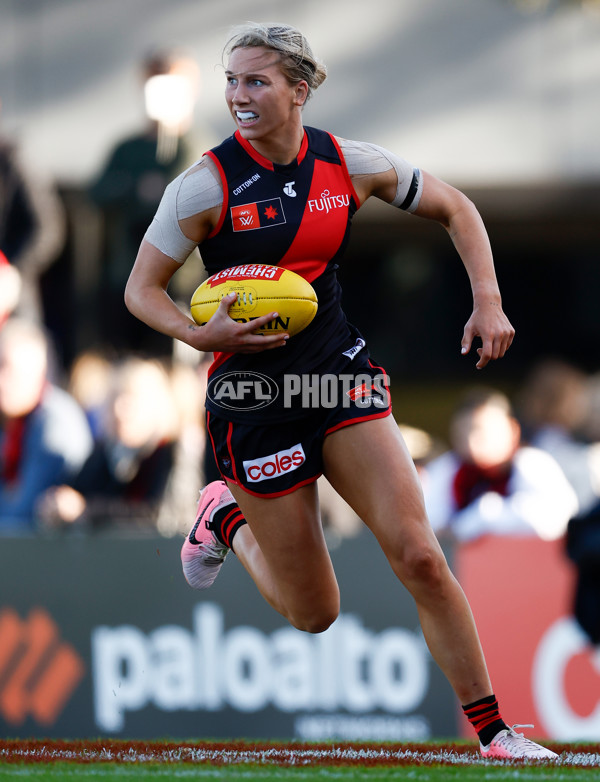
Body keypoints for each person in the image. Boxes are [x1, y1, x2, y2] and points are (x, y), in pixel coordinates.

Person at [124, 22, 557, 759]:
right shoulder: (203, 183)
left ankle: (495, 734)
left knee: (419, 554)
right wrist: (201, 336)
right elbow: (142, 291)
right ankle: (226, 517)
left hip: (337, 375)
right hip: (252, 400)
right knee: (314, 613)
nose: (238, 96)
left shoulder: (350, 164)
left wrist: (488, 299)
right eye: (231, 81)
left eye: (256, 81)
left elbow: (457, 208)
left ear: (300, 89)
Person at [422, 386, 578, 542]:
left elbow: (554, 518)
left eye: (480, 431)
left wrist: (483, 515)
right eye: (462, 433)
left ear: (512, 429)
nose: (470, 441)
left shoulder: (532, 463)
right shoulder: (447, 469)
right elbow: (428, 523)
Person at [0, 317, 93, 531]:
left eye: (8, 368)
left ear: (38, 371)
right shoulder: (16, 420)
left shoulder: (55, 424)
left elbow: (23, 517)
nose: (2, 381)